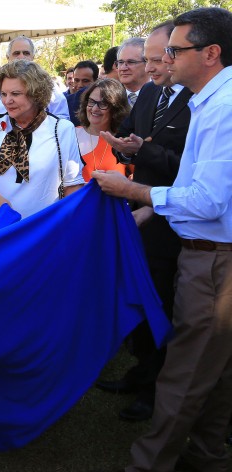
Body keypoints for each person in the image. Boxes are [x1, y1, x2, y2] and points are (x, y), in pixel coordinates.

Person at [92, 8, 232, 471]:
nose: (165, 60)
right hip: (204, 252)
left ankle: (149, 463)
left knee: (185, 371)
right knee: (214, 370)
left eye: (176, 50)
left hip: (213, 261)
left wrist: (134, 191)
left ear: (210, 54)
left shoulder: (225, 107)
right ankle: (208, 454)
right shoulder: (207, 100)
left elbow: (208, 200)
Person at [93, 20, 193, 424]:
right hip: (139, 217)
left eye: (157, 58)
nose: (152, 68)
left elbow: (187, 170)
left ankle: (155, 391)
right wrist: (127, 150)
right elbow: (136, 145)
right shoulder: (151, 94)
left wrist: (142, 153)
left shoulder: (202, 100)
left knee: (164, 306)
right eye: (146, 59)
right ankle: (140, 371)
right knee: (141, 293)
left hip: (177, 223)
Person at [0, 60, 84, 239]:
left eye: (15, 93)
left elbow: (72, 185)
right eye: (4, 94)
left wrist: (68, 226)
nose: (7, 100)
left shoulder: (62, 129)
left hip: (41, 235)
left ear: (36, 93)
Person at [0, 36, 70, 119]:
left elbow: (62, 116)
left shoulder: (47, 83)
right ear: (8, 57)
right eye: (16, 53)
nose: (21, 57)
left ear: (33, 56)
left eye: (26, 53)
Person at [75, 79, 130, 182]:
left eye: (103, 104)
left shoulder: (124, 143)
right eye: (91, 102)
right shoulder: (70, 135)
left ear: (116, 109)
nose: (95, 109)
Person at [116, 38, 148, 106]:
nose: (123, 68)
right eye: (121, 62)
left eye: (131, 62)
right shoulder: (111, 98)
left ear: (147, 63)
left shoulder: (161, 96)